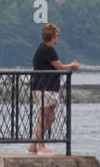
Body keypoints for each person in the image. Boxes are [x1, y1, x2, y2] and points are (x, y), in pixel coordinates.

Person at [28, 23, 79, 154]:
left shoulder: (44, 48)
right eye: (57, 35)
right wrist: (72, 66)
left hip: (48, 87)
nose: (58, 37)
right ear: (51, 36)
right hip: (44, 87)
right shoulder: (48, 49)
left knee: (50, 118)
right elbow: (59, 67)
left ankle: (33, 144)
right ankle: (40, 145)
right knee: (44, 116)